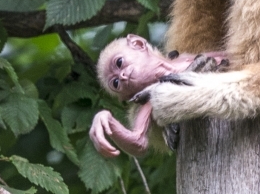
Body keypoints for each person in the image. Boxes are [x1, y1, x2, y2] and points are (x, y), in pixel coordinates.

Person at [89, 34, 227, 157]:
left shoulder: (183, 58)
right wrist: (106, 119)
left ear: (138, 44)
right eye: (115, 83)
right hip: (215, 141)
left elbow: (236, 56)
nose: (122, 75)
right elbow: (137, 143)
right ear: (127, 97)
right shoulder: (153, 98)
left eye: (119, 63)